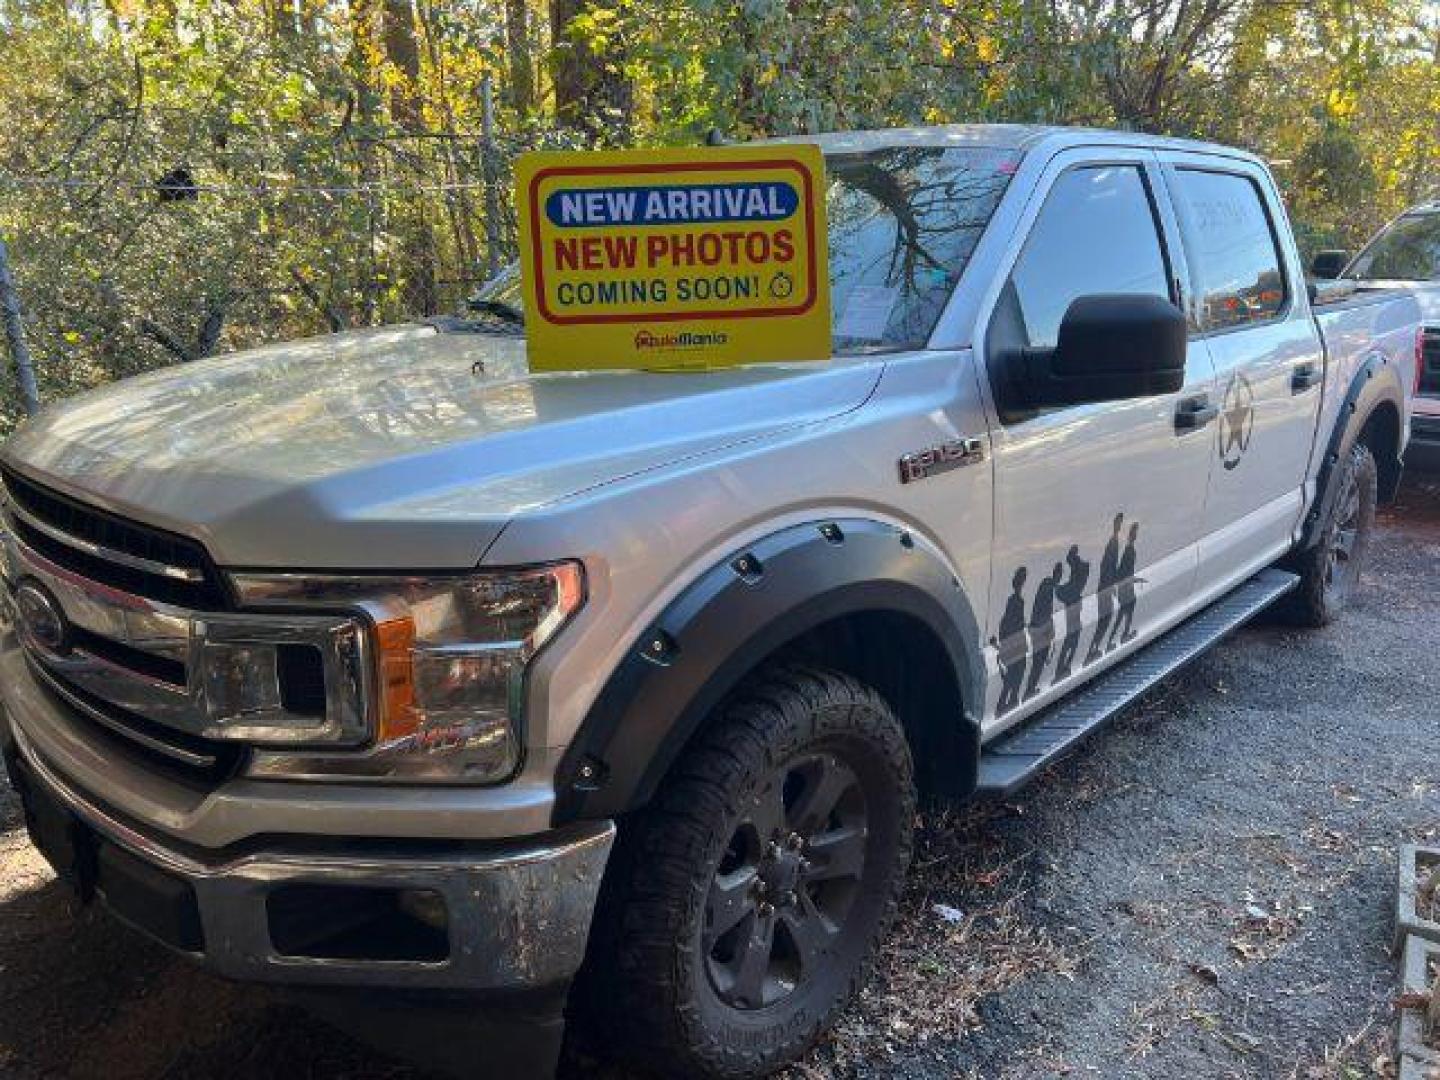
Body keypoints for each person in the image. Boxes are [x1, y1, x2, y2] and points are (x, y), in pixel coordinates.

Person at [1086, 513, 1124, 665]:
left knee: (1104, 620)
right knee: (1104, 620)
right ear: (1115, 525)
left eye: (1120, 524)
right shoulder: (1112, 544)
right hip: (1105, 589)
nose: (1120, 526)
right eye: (1118, 523)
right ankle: (1092, 650)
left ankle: (1094, 649)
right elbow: (1107, 566)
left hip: (1106, 587)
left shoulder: (1114, 542)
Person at [1025, 562, 1063, 700]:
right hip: (1040, 630)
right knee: (1038, 664)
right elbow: (1044, 612)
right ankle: (1029, 690)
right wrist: (1049, 631)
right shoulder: (1048, 588)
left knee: (1037, 663)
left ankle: (1031, 688)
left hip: (1037, 628)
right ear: (1057, 574)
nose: (1059, 578)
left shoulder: (1046, 584)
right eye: (1059, 574)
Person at [994, 566, 1028, 715]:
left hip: (1013, 643)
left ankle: (1005, 706)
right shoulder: (1017, 602)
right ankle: (1005, 706)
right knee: (1013, 679)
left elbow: (1006, 624)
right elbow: (1015, 623)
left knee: (1011, 679)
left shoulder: (1014, 601)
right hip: (1016, 644)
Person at [1054, 545, 1090, 681]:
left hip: (1073, 602)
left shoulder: (1078, 571)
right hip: (1074, 602)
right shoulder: (1080, 572)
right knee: (1073, 636)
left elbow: (1070, 559)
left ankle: (1065, 666)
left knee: (1072, 636)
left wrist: (1057, 587)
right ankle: (1064, 666)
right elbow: (1070, 559)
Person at [1109, 522, 1141, 649]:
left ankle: (1122, 634)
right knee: (1124, 612)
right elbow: (1124, 569)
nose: (1135, 536)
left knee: (1125, 612)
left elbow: (1124, 569)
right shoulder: (1129, 551)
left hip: (1126, 585)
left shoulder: (1129, 550)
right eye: (1134, 533)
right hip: (1125, 586)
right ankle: (1119, 636)